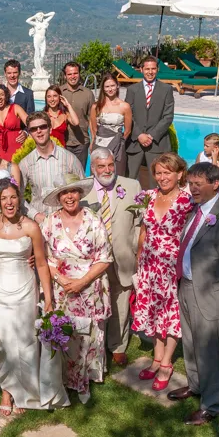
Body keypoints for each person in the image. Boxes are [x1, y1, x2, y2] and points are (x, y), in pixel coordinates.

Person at [167, 162, 219, 425]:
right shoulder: (196, 210)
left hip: (211, 293)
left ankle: (211, 405)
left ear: (215, 184)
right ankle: (196, 385)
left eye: (198, 184)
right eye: (190, 183)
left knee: (210, 351)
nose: (192, 188)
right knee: (191, 343)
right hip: (187, 287)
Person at [0, 178, 67, 414]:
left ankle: (26, 390)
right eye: (4, 198)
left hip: (25, 288)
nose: (9, 202)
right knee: (3, 338)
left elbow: (41, 264)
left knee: (26, 340)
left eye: (13, 197)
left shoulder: (30, 227)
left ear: (20, 199)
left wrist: (48, 298)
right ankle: (7, 392)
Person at [41, 175, 112, 403]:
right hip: (62, 288)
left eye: (73, 192)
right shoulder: (50, 222)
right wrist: (61, 280)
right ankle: (64, 380)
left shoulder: (93, 220)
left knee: (88, 336)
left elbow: (105, 258)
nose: (69, 197)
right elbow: (45, 259)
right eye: (64, 193)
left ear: (80, 194)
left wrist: (82, 282)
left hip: (90, 287)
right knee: (66, 334)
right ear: (59, 197)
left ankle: (84, 381)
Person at [130, 153, 194, 392]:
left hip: (171, 266)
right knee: (155, 312)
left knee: (171, 314)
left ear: (179, 174)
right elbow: (144, 230)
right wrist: (139, 258)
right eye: (158, 172)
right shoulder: (147, 196)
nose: (162, 177)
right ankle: (156, 358)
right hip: (149, 265)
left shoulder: (187, 201)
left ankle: (167, 363)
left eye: (168, 172)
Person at [80, 147, 142, 368]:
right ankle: (95, 344)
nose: (107, 170)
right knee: (95, 302)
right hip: (94, 260)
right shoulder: (83, 190)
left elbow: (138, 222)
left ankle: (118, 345)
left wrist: (136, 249)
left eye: (110, 165)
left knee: (121, 300)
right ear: (93, 167)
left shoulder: (132, 185)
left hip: (123, 256)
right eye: (101, 166)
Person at [19, 112, 84, 224]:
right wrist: (35, 215)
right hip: (40, 224)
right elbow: (17, 196)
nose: (39, 131)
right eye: (34, 129)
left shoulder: (69, 159)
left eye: (43, 127)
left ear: (50, 129)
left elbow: (83, 189)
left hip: (66, 222)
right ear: (30, 133)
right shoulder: (25, 164)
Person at [124, 56, 175, 181]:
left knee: (157, 180)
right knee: (129, 180)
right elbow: (128, 115)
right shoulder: (132, 90)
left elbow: (168, 116)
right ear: (141, 69)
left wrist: (151, 135)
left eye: (153, 69)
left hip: (157, 144)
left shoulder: (166, 90)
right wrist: (139, 134)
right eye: (147, 69)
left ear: (157, 69)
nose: (150, 72)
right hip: (135, 143)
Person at [89, 72, 133, 176]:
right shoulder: (96, 106)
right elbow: (93, 127)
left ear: (117, 85)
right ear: (103, 88)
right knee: (98, 174)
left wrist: (120, 143)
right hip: (99, 144)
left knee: (117, 174)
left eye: (112, 85)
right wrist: (93, 142)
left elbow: (127, 130)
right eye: (107, 86)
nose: (110, 89)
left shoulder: (125, 106)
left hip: (117, 146)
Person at [60, 61, 94, 170]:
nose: (73, 76)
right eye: (69, 74)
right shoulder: (59, 92)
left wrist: (93, 140)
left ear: (79, 74)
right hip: (63, 141)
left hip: (81, 141)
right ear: (65, 76)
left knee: (80, 174)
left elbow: (92, 119)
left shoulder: (88, 94)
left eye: (75, 73)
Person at [0, 85, 28, 162]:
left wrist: (26, 133)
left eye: (2, 94)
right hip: (0, 151)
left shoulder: (16, 108)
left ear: (6, 96)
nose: (0, 97)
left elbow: (31, 123)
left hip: (18, 148)